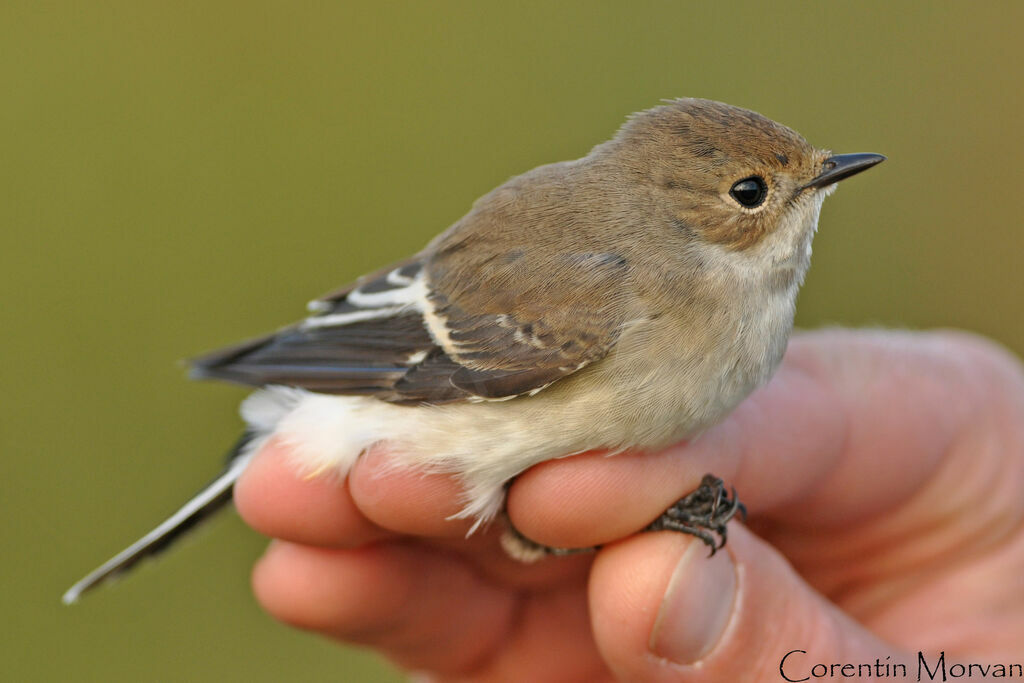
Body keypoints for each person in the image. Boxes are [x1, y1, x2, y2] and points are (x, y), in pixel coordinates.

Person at [234, 329, 1024, 681]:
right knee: (550, 514)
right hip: (393, 404)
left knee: (574, 510)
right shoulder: (604, 298)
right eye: (751, 193)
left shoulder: (712, 318)